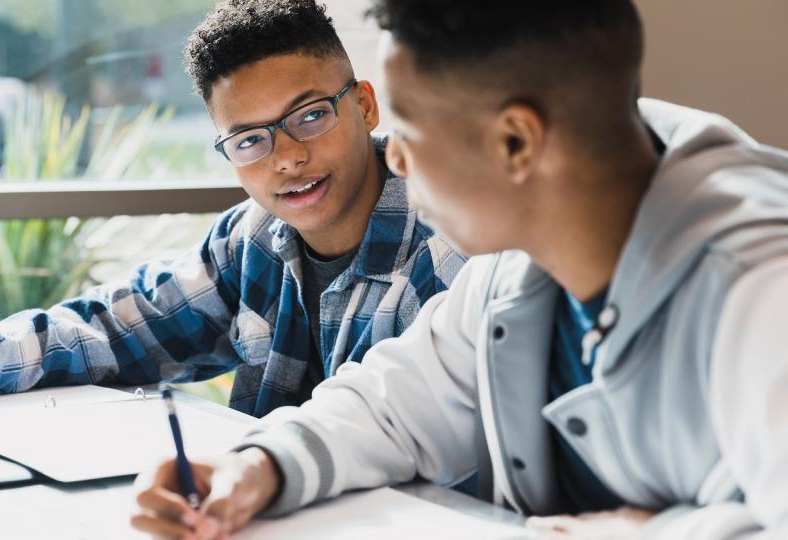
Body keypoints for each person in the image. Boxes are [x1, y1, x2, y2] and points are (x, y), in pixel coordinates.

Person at [129, 1, 788, 538]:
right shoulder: (518, 260)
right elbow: (394, 404)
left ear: (516, 143)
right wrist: (258, 465)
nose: (397, 162)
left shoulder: (763, 291)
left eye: (411, 132)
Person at [0, 1, 464, 422]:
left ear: (366, 107)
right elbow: (110, 330)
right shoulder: (253, 240)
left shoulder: (451, 254)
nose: (286, 157)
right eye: (248, 139)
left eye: (309, 116)